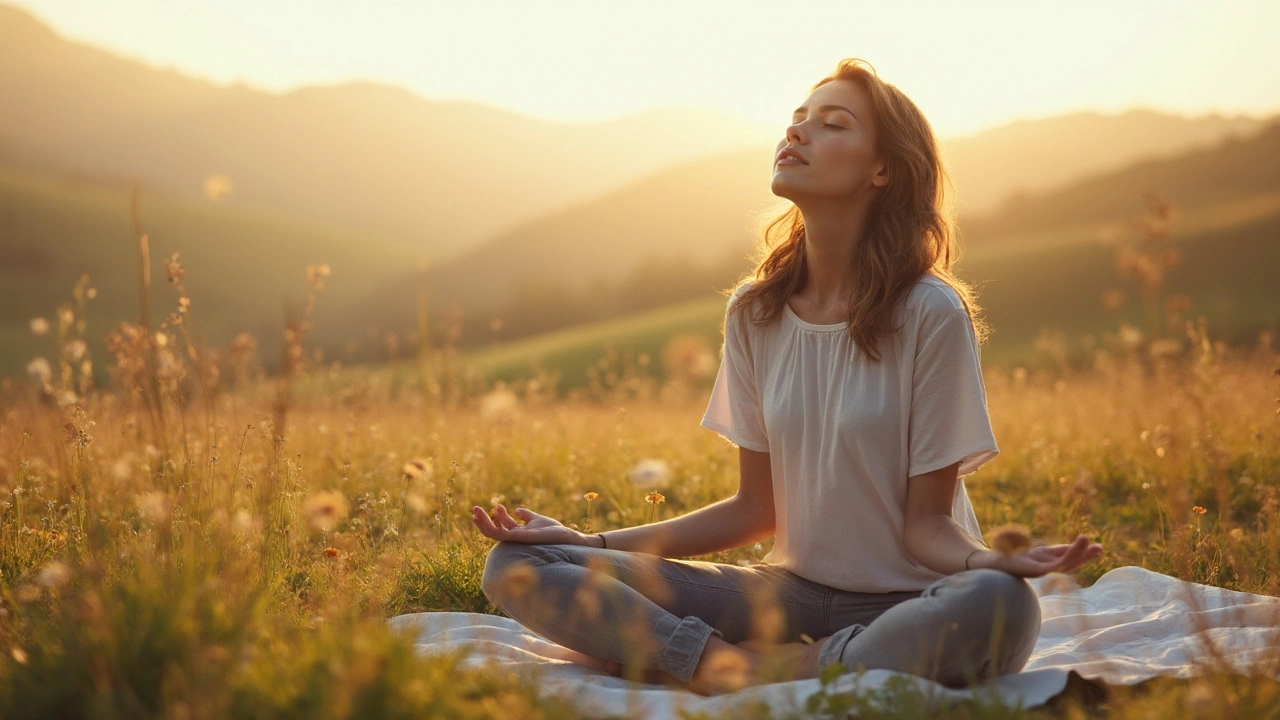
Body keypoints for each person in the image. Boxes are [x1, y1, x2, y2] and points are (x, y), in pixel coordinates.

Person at [471, 58, 1102, 696]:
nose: (797, 133)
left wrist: (989, 560)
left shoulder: (929, 313)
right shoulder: (755, 310)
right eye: (797, 118)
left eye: (832, 124)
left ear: (882, 169)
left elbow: (926, 527)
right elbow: (757, 508)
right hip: (784, 597)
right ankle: (721, 660)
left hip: (908, 603)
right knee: (520, 563)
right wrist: (590, 539)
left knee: (1003, 603)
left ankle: (760, 667)